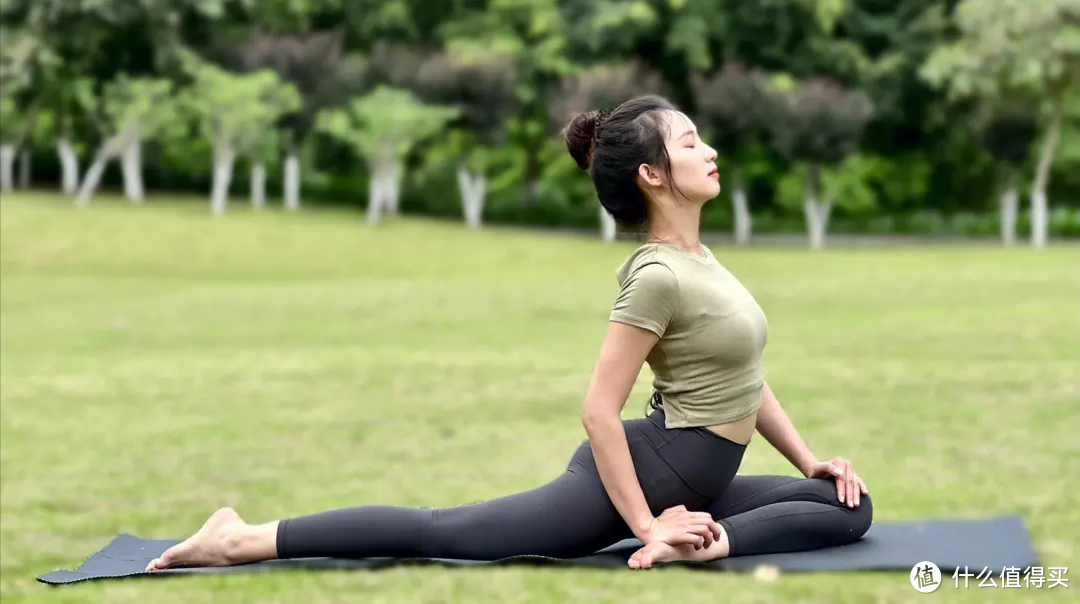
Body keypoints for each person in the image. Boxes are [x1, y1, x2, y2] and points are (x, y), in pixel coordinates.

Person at [145, 94, 871, 573]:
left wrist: (810, 461)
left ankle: (710, 545)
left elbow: (744, 379)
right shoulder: (655, 274)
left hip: (701, 477)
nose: (708, 148)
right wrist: (647, 525)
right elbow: (598, 408)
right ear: (653, 174)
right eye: (690, 141)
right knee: (446, 535)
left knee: (845, 506)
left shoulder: (700, 260)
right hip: (658, 471)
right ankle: (239, 538)